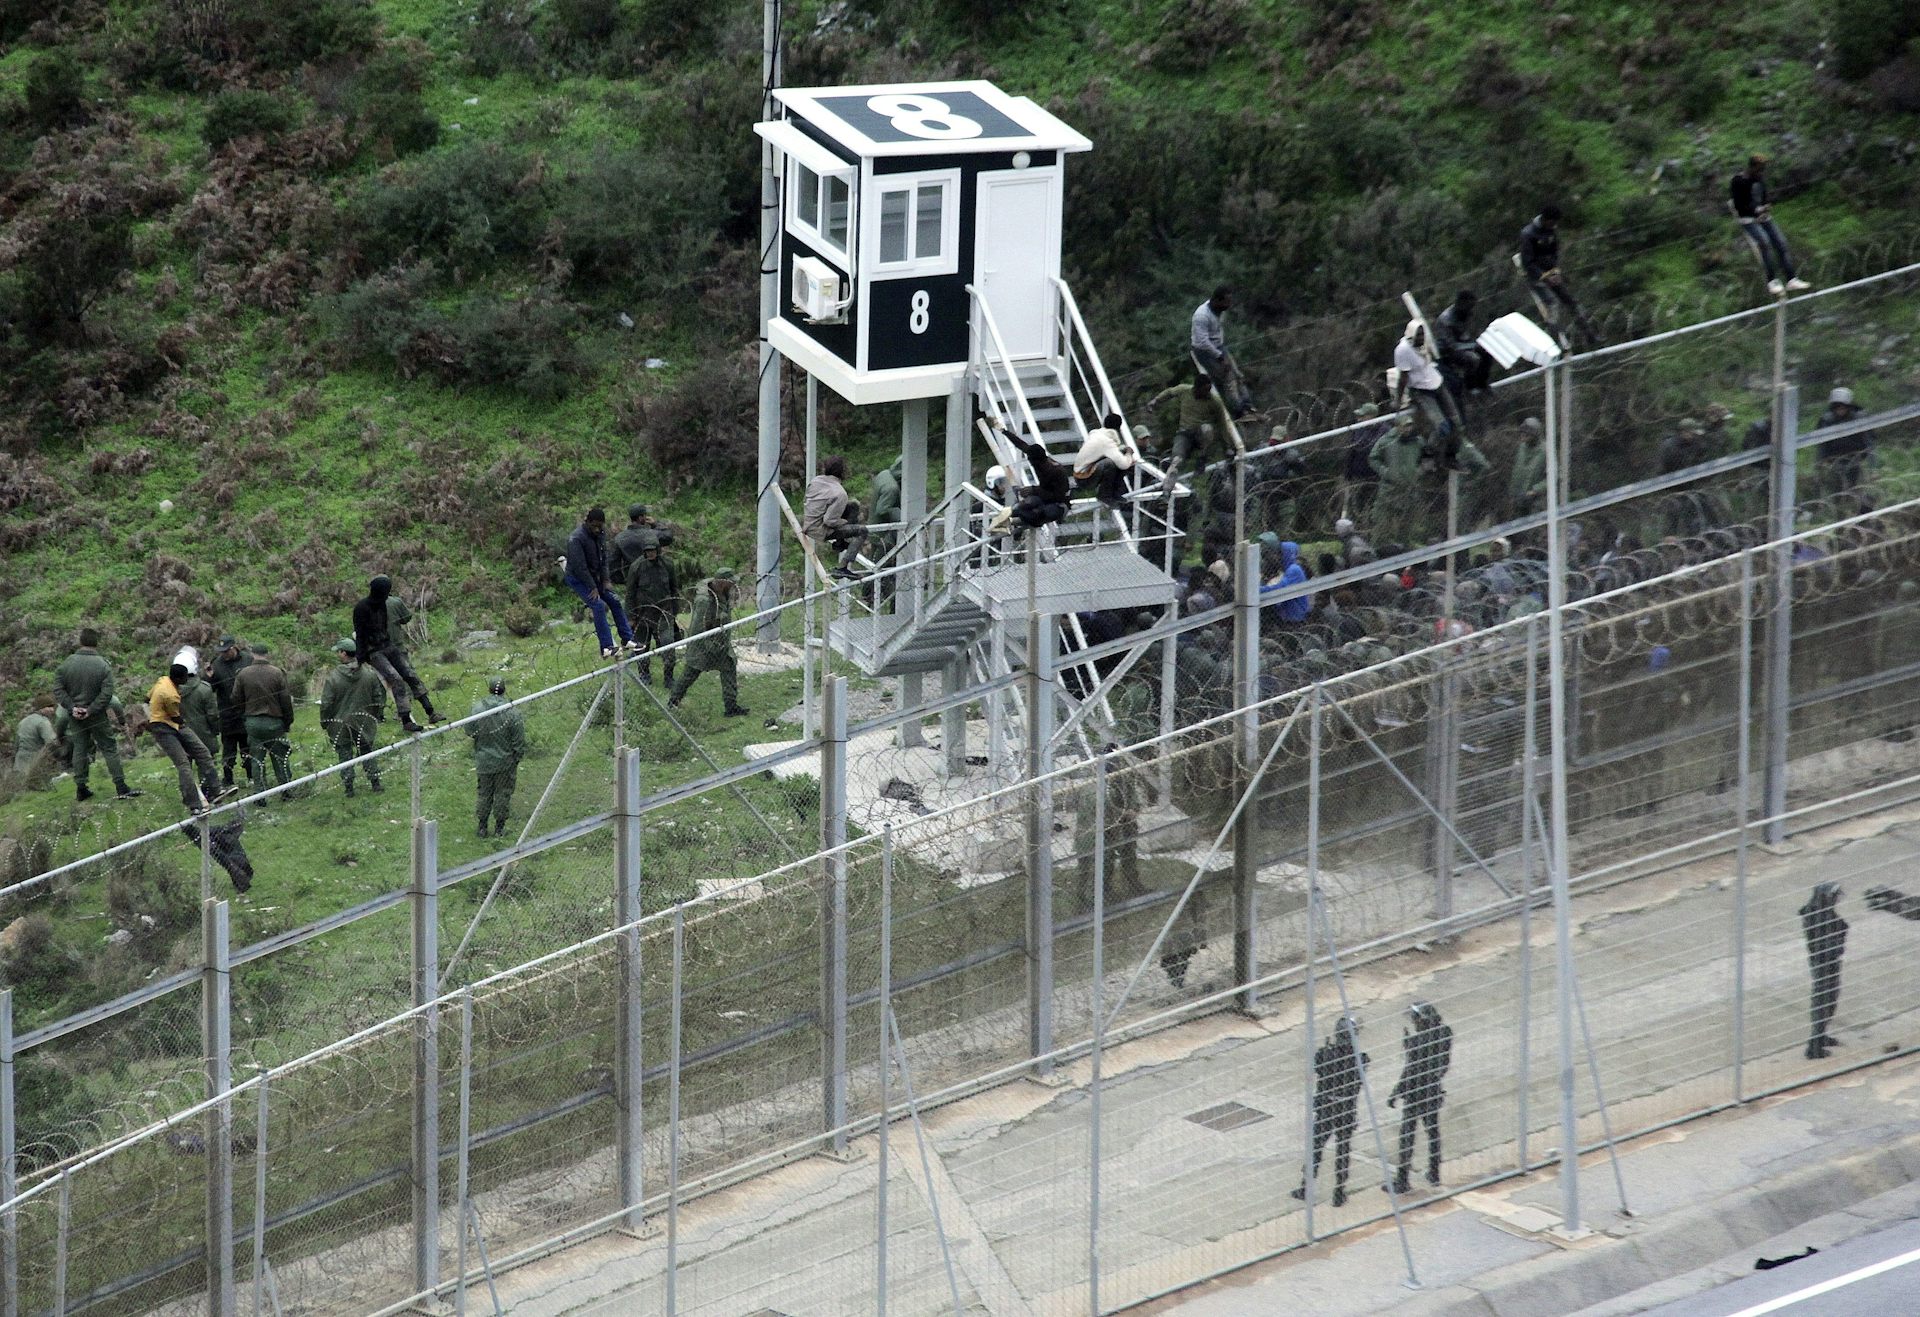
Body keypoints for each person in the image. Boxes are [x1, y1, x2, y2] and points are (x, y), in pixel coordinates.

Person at [54, 628, 140, 803]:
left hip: (75, 715)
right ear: (96, 643)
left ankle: (81, 788)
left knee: (80, 748)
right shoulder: (102, 665)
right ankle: (121, 786)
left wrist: (72, 708)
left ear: (80, 641)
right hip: (97, 715)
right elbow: (107, 693)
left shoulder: (66, 664)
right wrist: (91, 709)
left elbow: (58, 689)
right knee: (109, 747)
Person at [1291, 1016, 1369, 1208]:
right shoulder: (1361, 1059)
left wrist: (1328, 1051)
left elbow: (1318, 1067)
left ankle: (1306, 1187)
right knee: (1343, 1149)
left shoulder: (1325, 1054)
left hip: (1327, 1107)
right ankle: (1339, 1191)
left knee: (1316, 1148)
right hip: (1346, 1109)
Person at [353, 576, 441, 732]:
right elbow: (360, 634)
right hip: (373, 651)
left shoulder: (381, 605)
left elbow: (384, 627)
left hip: (387, 645)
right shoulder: (361, 608)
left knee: (410, 674)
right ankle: (406, 719)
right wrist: (361, 658)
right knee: (396, 679)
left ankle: (430, 711)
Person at [1385, 1001, 1452, 1194]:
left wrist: (1396, 1092)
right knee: (1433, 1132)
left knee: (1407, 1135)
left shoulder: (1417, 1043)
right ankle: (1434, 1173)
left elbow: (1410, 1069)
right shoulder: (1445, 1033)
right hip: (1432, 1090)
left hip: (1415, 1094)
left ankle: (1402, 1180)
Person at [667, 569, 751, 717]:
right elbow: (699, 627)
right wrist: (709, 647)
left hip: (720, 641)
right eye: (730, 582)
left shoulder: (722, 593)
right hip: (703, 645)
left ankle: (731, 707)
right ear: (722, 582)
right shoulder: (705, 600)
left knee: (729, 666)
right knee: (690, 672)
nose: (733, 585)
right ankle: (673, 702)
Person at [146, 661, 225, 814]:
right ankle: (194, 803)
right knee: (183, 764)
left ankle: (216, 789)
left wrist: (152, 711)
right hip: (163, 727)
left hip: (170, 722)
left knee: (202, 752)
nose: (186, 680)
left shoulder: (162, 680)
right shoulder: (171, 695)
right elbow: (176, 717)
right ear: (179, 679)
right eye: (184, 678)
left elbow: (146, 698)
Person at [1518, 205, 1597, 348]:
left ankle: (1589, 335)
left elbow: (1554, 253)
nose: (1555, 225)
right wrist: (1544, 277)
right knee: (1552, 304)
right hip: (1537, 278)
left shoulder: (1551, 231)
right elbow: (1527, 263)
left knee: (1571, 301)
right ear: (1545, 219)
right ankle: (1556, 341)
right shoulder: (1528, 234)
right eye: (1552, 222)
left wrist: (1555, 272)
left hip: (1552, 274)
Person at [1730, 154, 1809, 296]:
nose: (1761, 173)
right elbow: (1738, 205)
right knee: (1764, 243)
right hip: (1748, 219)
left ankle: (1791, 278)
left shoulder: (1759, 179)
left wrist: (1765, 206)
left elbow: (1764, 196)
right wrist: (1755, 210)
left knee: (1781, 243)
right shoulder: (1739, 181)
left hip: (1764, 217)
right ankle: (1772, 281)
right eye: (1759, 169)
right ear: (1752, 167)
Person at [565, 508, 640, 659]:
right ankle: (606, 647)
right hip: (579, 578)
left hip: (596, 576)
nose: (598, 529)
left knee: (614, 600)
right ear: (588, 522)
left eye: (600, 526)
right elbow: (580, 567)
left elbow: (604, 559)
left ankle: (627, 639)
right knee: (598, 605)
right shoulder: (576, 539)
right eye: (595, 526)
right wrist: (592, 587)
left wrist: (606, 579)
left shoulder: (600, 535)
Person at [1394, 319, 1465, 470]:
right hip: (1422, 390)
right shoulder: (1403, 350)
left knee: (1457, 423)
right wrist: (1398, 400)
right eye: (1418, 335)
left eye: (1422, 334)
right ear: (1411, 335)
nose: (1421, 337)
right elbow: (1403, 378)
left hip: (1437, 383)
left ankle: (1451, 457)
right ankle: (1428, 452)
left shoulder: (1423, 344)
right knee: (1442, 427)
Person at [319, 638, 386, 796]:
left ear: (344, 653)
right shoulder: (369, 674)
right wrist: (374, 716)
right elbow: (379, 698)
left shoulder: (333, 678)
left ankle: (349, 788)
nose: (337, 654)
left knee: (345, 755)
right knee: (368, 752)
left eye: (339, 651)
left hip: (340, 723)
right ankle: (375, 782)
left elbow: (326, 704)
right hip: (364, 721)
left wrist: (325, 722)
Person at [985, 418, 1073, 536]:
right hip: (1044, 499)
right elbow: (1021, 444)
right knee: (1026, 504)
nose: (1031, 464)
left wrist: (1035, 490)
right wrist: (1003, 430)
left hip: (1058, 504)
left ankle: (1010, 521)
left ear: (1039, 461)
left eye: (1032, 462)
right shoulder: (1037, 457)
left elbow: (1059, 496)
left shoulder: (1056, 471)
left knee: (1039, 514)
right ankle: (999, 522)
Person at [622, 526, 682, 687]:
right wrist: (630, 617)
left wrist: (675, 612)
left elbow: (674, 588)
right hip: (643, 614)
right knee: (642, 647)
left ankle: (669, 677)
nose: (650, 553)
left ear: (658, 550)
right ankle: (644, 674)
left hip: (664, 612)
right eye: (647, 551)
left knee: (668, 645)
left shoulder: (667, 565)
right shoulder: (636, 567)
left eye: (653, 550)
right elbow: (630, 594)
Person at [466, 678, 526, 839]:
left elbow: (469, 730)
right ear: (505, 690)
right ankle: (499, 828)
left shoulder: (477, 708)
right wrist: (516, 758)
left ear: (489, 689)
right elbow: (519, 740)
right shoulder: (512, 712)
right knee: (502, 793)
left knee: (484, 793)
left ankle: (482, 827)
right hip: (505, 762)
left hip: (484, 760)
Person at [232, 644, 296, 790]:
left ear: (253, 654)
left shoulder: (243, 674)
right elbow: (285, 700)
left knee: (257, 760)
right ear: (267, 654)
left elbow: (235, 698)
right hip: (274, 721)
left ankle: (260, 793)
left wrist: (245, 714)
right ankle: (286, 789)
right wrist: (288, 721)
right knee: (280, 758)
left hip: (253, 721)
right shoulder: (277, 673)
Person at [1147, 373, 1235, 476]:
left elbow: (1222, 424)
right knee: (1176, 462)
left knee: (1207, 429)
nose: (1208, 393)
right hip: (1185, 434)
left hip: (1200, 436)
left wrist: (1227, 448)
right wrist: (1155, 401)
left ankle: (1202, 458)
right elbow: (1169, 392)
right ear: (1197, 388)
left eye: (1209, 390)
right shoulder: (1184, 390)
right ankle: (1167, 488)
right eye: (1205, 390)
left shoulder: (1214, 401)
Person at [1800, 881, 1846, 1060]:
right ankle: (1814, 1047)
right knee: (1823, 1002)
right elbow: (1823, 943)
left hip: (1829, 962)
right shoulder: (1816, 915)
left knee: (1830, 1001)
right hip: (1824, 963)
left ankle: (1820, 1037)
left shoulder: (1822, 912)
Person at [803, 455, 869, 578]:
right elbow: (829, 521)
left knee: (853, 506)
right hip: (821, 529)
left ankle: (840, 543)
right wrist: (844, 522)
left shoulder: (815, 481)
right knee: (862, 531)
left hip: (808, 522)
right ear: (843, 472)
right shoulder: (840, 493)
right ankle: (842, 567)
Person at [1190, 285, 1251, 416]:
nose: (1228, 305)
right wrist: (1220, 357)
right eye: (1226, 302)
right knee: (1227, 378)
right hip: (1205, 352)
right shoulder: (1201, 316)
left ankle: (1247, 405)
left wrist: (1222, 350)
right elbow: (1202, 342)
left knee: (1237, 374)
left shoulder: (1220, 312)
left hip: (1219, 346)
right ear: (1217, 301)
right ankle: (1239, 412)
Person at [208, 636, 252, 787]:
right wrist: (208, 677)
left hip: (246, 712)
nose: (224, 654)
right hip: (227, 715)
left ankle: (251, 776)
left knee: (247, 748)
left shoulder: (247, 659)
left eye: (226, 651)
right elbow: (209, 689)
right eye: (222, 652)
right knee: (228, 750)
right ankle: (228, 779)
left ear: (234, 647)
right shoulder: (216, 664)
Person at [1072, 413, 1138, 510]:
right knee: (1111, 463)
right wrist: (1129, 453)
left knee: (1118, 458)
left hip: (1082, 474)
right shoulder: (1106, 441)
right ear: (1118, 428)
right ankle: (1104, 496)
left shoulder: (1097, 435)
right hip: (1084, 479)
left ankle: (1115, 493)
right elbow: (1124, 465)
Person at [1433, 290, 1492, 397]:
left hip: (1462, 346)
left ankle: (1482, 384)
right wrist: (1473, 346)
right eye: (1469, 306)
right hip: (1447, 352)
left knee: (1487, 352)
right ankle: (1470, 387)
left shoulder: (1464, 314)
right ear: (1461, 303)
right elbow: (1451, 346)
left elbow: (1465, 336)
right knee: (1473, 359)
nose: (1471, 310)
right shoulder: (1446, 320)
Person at [1815, 387, 1869, 492]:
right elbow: (1821, 444)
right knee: (1837, 486)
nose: (1840, 410)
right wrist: (1819, 464)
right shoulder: (1827, 421)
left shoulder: (1858, 418)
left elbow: (1868, 440)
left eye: (1843, 407)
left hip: (1855, 455)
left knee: (1854, 483)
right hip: (1834, 457)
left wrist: (1872, 466)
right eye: (1837, 407)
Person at [609, 503, 663, 588]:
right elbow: (668, 536)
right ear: (640, 518)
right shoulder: (652, 534)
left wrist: (623, 581)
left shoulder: (619, 538)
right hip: (654, 582)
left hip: (633, 583)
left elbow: (613, 564)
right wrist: (655, 524)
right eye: (645, 515)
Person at [178, 659, 220, 760]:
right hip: (205, 737)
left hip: (181, 738)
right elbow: (212, 715)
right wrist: (215, 730)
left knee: (185, 768)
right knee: (208, 768)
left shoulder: (171, 691)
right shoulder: (204, 689)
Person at [1263, 541, 1313, 624]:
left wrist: (1257, 590)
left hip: (1294, 619)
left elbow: (1278, 589)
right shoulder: (1288, 570)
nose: (1278, 557)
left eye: (1280, 554)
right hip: (1290, 616)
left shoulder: (1294, 569)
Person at [12, 698, 58, 781]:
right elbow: (52, 742)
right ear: (41, 708)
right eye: (49, 707)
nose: (52, 709)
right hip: (36, 761)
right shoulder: (43, 722)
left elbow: (16, 745)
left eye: (52, 706)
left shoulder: (23, 721)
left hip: (19, 762)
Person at [1510, 417, 1547, 516]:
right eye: (1522, 432)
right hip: (1518, 501)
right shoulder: (1522, 448)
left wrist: (1534, 491)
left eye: (1527, 434)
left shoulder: (1545, 451)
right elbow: (1516, 471)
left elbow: (1554, 477)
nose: (1523, 436)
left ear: (1535, 435)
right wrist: (1513, 493)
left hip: (1535, 503)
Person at [869, 456, 904, 557]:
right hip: (884, 535)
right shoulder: (891, 488)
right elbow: (882, 510)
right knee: (881, 566)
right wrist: (900, 515)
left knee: (874, 564)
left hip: (874, 528)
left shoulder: (885, 474)